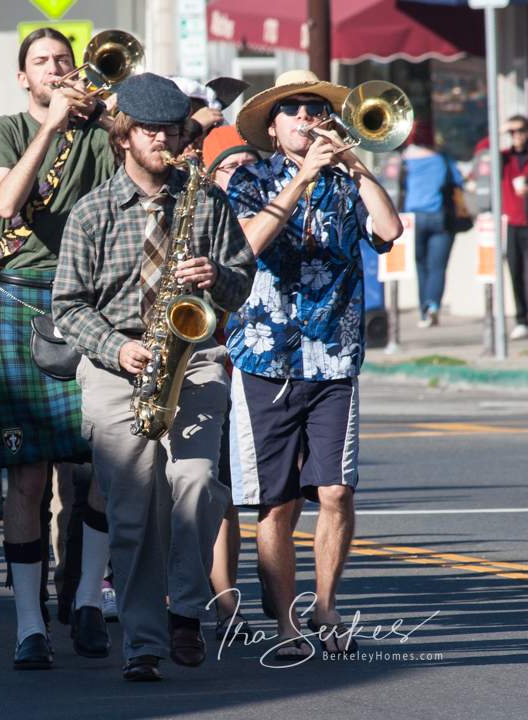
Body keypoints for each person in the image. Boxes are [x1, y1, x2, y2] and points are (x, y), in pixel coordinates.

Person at [53, 73, 255, 682]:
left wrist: (213, 275)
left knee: (196, 481)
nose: (163, 139)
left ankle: (186, 612)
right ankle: (143, 642)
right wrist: (118, 349)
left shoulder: (207, 200)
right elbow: (67, 306)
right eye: (149, 130)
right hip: (120, 367)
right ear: (124, 137)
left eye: (172, 129)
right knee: (134, 515)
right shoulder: (91, 211)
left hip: (194, 358)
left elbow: (242, 284)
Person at [227, 70, 402, 661]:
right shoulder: (249, 179)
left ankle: (326, 609)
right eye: (293, 110)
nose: (307, 117)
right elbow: (246, 247)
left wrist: (357, 165)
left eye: (314, 108)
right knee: (277, 504)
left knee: (335, 492)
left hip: (334, 354)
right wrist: (302, 178)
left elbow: (388, 229)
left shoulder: (347, 181)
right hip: (266, 356)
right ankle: (284, 625)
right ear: (273, 130)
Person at [0, 27, 116, 669]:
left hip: (93, 296)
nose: (56, 69)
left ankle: (87, 600)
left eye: (63, 59)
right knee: (26, 476)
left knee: (103, 470)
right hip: (24, 293)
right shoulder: (3, 129)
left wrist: (113, 122)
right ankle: (29, 625)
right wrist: (52, 127)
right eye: (41, 63)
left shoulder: (104, 133)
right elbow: (5, 201)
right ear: (23, 78)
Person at [199, 124, 263, 642]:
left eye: (246, 166)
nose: (239, 176)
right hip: (197, 357)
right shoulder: (197, 213)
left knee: (223, 491)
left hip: (246, 365)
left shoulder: (263, 209)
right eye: (228, 167)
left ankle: (226, 606)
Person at [399, 121, 463, 328]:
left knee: (421, 266)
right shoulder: (442, 158)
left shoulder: (405, 159)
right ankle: (433, 305)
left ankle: (423, 312)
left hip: (413, 217)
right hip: (439, 216)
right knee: (438, 267)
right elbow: (458, 181)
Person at [501, 115, 528, 340]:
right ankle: (521, 319)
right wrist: (503, 129)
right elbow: (483, 149)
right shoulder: (505, 158)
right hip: (513, 224)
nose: (517, 136)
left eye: (521, 131)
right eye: (513, 132)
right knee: (515, 271)